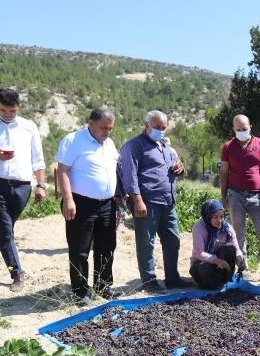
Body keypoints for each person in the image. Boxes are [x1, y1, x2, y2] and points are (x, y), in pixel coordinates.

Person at [0, 88, 46, 292]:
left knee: (2, 231)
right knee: (5, 229)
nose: (8, 115)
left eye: (12, 111)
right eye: (3, 110)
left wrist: (40, 185)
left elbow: (38, 159)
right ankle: (17, 273)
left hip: (23, 186)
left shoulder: (28, 126)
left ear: (18, 107)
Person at [120, 110, 193, 293]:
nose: (160, 131)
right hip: (147, 201)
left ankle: (172, 278)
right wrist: (137, 200)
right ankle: (149, 281)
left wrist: (180, 168)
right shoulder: (134, 145)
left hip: (168, 202)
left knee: (173, 240)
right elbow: (129, 175)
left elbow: (176, 168)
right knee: (146, 243)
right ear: (146, 125)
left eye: (163, 128)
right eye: (156, 127)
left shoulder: (165, 146)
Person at [56, 108, 122, 305]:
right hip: (80, 203)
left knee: (107, 246)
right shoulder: (73, 140)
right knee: (80, 249)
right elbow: (63, 170)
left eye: (110, 128)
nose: (107, 132)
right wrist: (68, 199)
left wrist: (117, 200)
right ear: (91, 123)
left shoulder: (109, 144)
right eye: (103, 128)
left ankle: (103, 285)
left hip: (107, 204)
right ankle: (80, 292)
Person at [219, 114, 260, 281]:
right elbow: (223, 173)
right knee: (238, 234)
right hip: (235, 194)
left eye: (245, 128)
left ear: (250, 126)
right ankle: (243, 269)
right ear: (233, 130)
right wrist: (223, 197)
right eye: (238, 129)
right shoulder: (228, 147)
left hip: (257, 195)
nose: (242, 131)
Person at [190, 199, 245, 290]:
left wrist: (239, 257)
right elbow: (199, 253)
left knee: (230, 248)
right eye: (215, 217)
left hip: (222, 265)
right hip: (202, 263)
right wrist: (217, 260)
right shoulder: (199, 227)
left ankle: (226, 278)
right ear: (207, 216)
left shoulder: (227, 228)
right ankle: (208, 283)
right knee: (205, 270)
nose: (219, 220)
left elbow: (236, 247)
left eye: (222, 216)